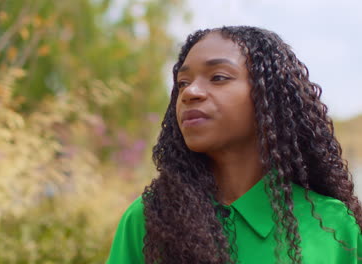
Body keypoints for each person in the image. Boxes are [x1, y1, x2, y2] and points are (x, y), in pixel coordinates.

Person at [105, 26, 362, 264]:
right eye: (182, 82)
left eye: (218, 77)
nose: (190, 92)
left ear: (268, 99)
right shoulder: (148, 218)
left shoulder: (335, 226)